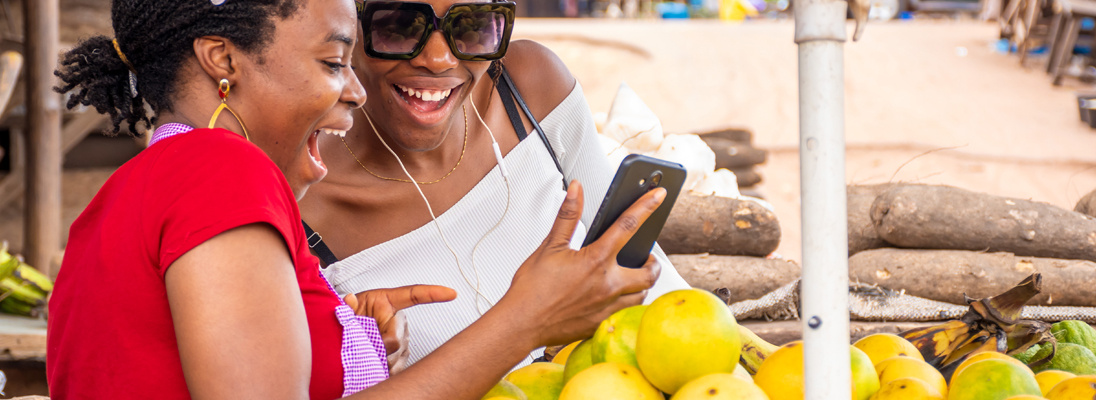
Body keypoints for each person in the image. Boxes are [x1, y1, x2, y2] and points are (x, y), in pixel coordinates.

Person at [46, 0, 663, 398]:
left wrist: (348, 342)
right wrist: (525, 321)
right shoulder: (222, 169)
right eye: (334, 61)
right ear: (223, 60)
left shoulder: (155, 184)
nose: (354, 92)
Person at [299, 0, 692, 366]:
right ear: (350, 23)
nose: (438, 60)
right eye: (399, 28)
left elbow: (656, 286)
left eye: (471, 27)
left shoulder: (530, 90)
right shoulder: (305, 202)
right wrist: (371, 368)